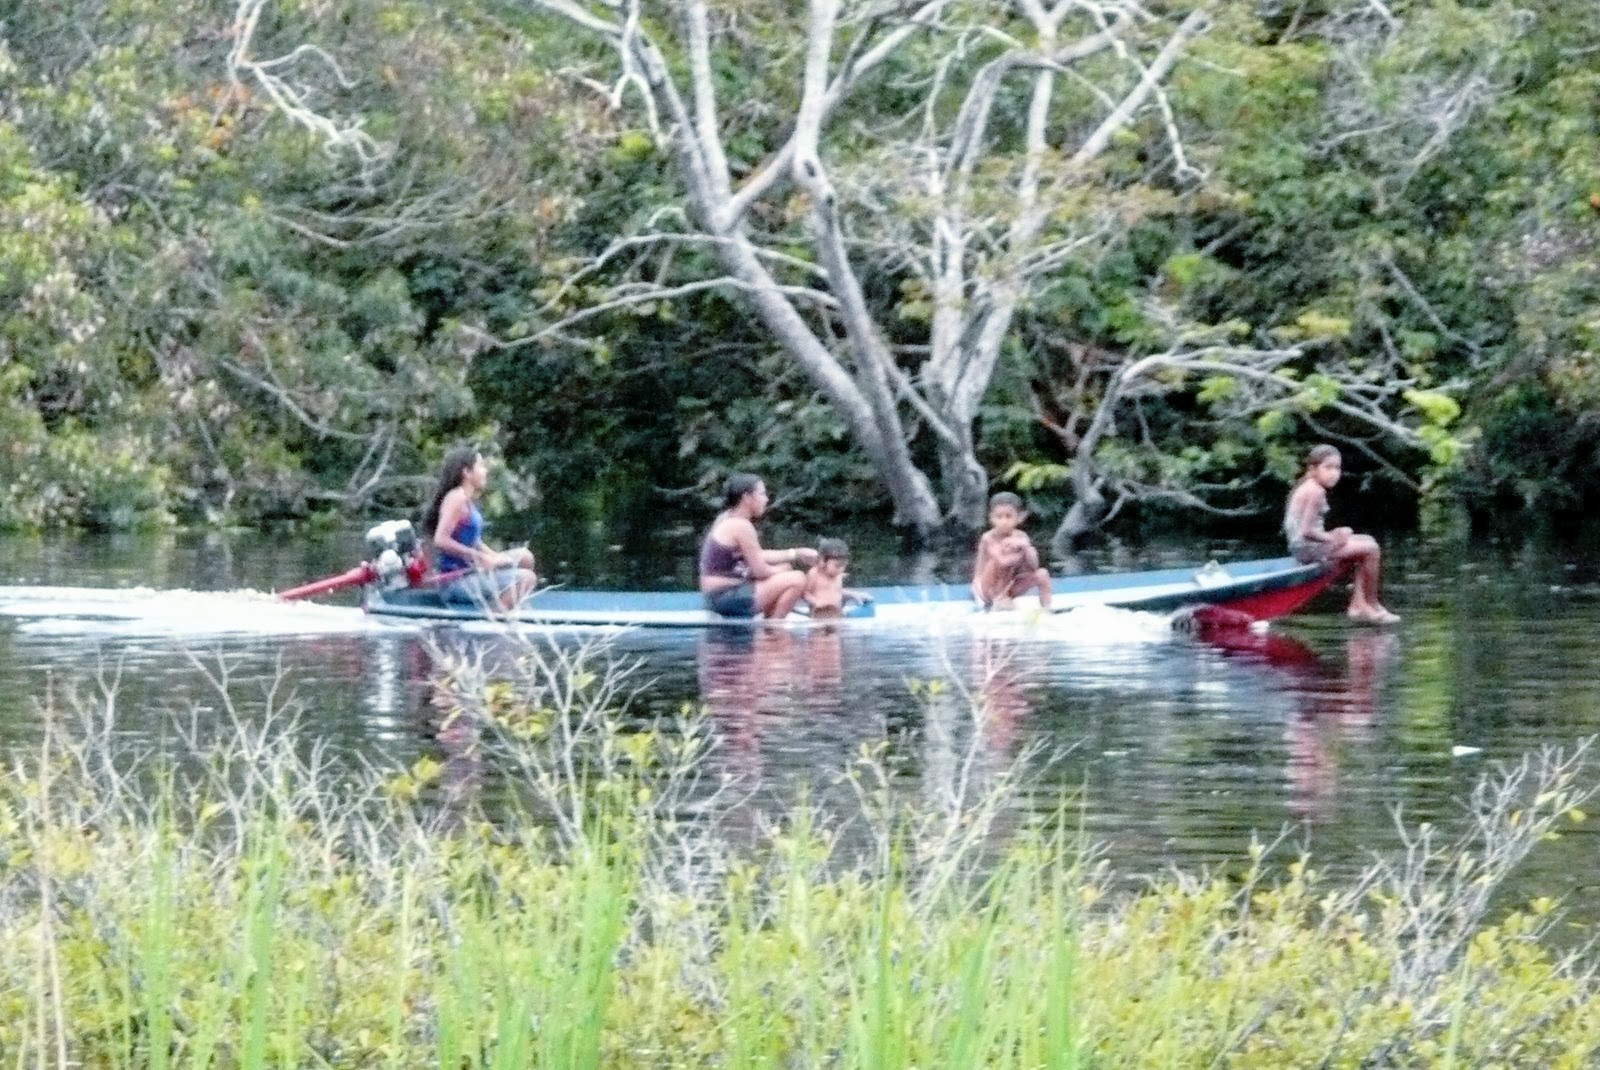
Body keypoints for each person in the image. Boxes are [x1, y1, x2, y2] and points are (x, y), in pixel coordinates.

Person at [1283, 444, 1399, 625]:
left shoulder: (1310, 486)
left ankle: (1359, 604)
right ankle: (1372, 604)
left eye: (1337, 468)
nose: (1334, 473)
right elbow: (1306, 531)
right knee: (1371, 549)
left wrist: (1334, 535)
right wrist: (1332, 537)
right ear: (1313, 469)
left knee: (1366, 540)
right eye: (1328, 468)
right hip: (1307, 549)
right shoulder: (1315, 491)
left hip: (1305, 546)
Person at [421, 446, 537, 610]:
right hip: (455, 582)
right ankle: (495, 614)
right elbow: (440, 540)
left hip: (472, 572)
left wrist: (493, 556)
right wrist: (479, 557)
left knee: (525, 557)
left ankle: (510, 602)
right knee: (527, 578)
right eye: (481, 466)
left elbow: (473, 540)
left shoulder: (466, 500)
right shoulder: (456, 498)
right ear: (467, 472)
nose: (485, 471)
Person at [698, 473, 818, 619]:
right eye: (762, 494)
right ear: (746, 497)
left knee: (785, 570)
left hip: (716, 596)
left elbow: (757, 554)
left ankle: (769, 620)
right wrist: (781, 570)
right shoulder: (741, 526)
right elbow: (761, 571)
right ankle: (773, 627)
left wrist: (796, 553)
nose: (766, 499)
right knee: (797, 579)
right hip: (726, 596)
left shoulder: (726, 518)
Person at [970, 492, 1053, 610]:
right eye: (999, 517)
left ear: (1019, 517)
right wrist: (1015, 551)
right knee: (1002, 559)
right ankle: (999, 599)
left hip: (1009, 586)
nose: (1004, 522)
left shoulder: (1021, 537)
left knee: (1042, 574)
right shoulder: (988, 538)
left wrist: (1026, 547)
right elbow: (1002, 562)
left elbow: (1034, 566)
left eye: (1008, 516)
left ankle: (1047, 608)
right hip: (987, 588)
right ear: (991, 518)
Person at [801, 538, 870, 619]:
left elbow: (836, 592)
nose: (841, 570)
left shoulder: (838, 575)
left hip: (837, 613)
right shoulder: (815, 573)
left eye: (843, 566)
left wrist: (854, 595)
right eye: (837, 566)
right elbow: (805, 594)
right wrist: (816, 602)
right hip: (820, 614)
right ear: (822, 561)